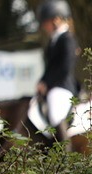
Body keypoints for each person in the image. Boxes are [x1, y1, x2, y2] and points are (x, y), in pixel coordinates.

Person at [35, 0, 80, 145]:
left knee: (55, 114)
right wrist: (41, 82)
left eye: (45, 22)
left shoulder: (67, 39)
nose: (43, 26)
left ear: (56, 19)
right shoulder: (54, 40)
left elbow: (65, 67)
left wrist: (47, 83)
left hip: (62, 86)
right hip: (54, 84)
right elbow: (50, 67)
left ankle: (65, 155)